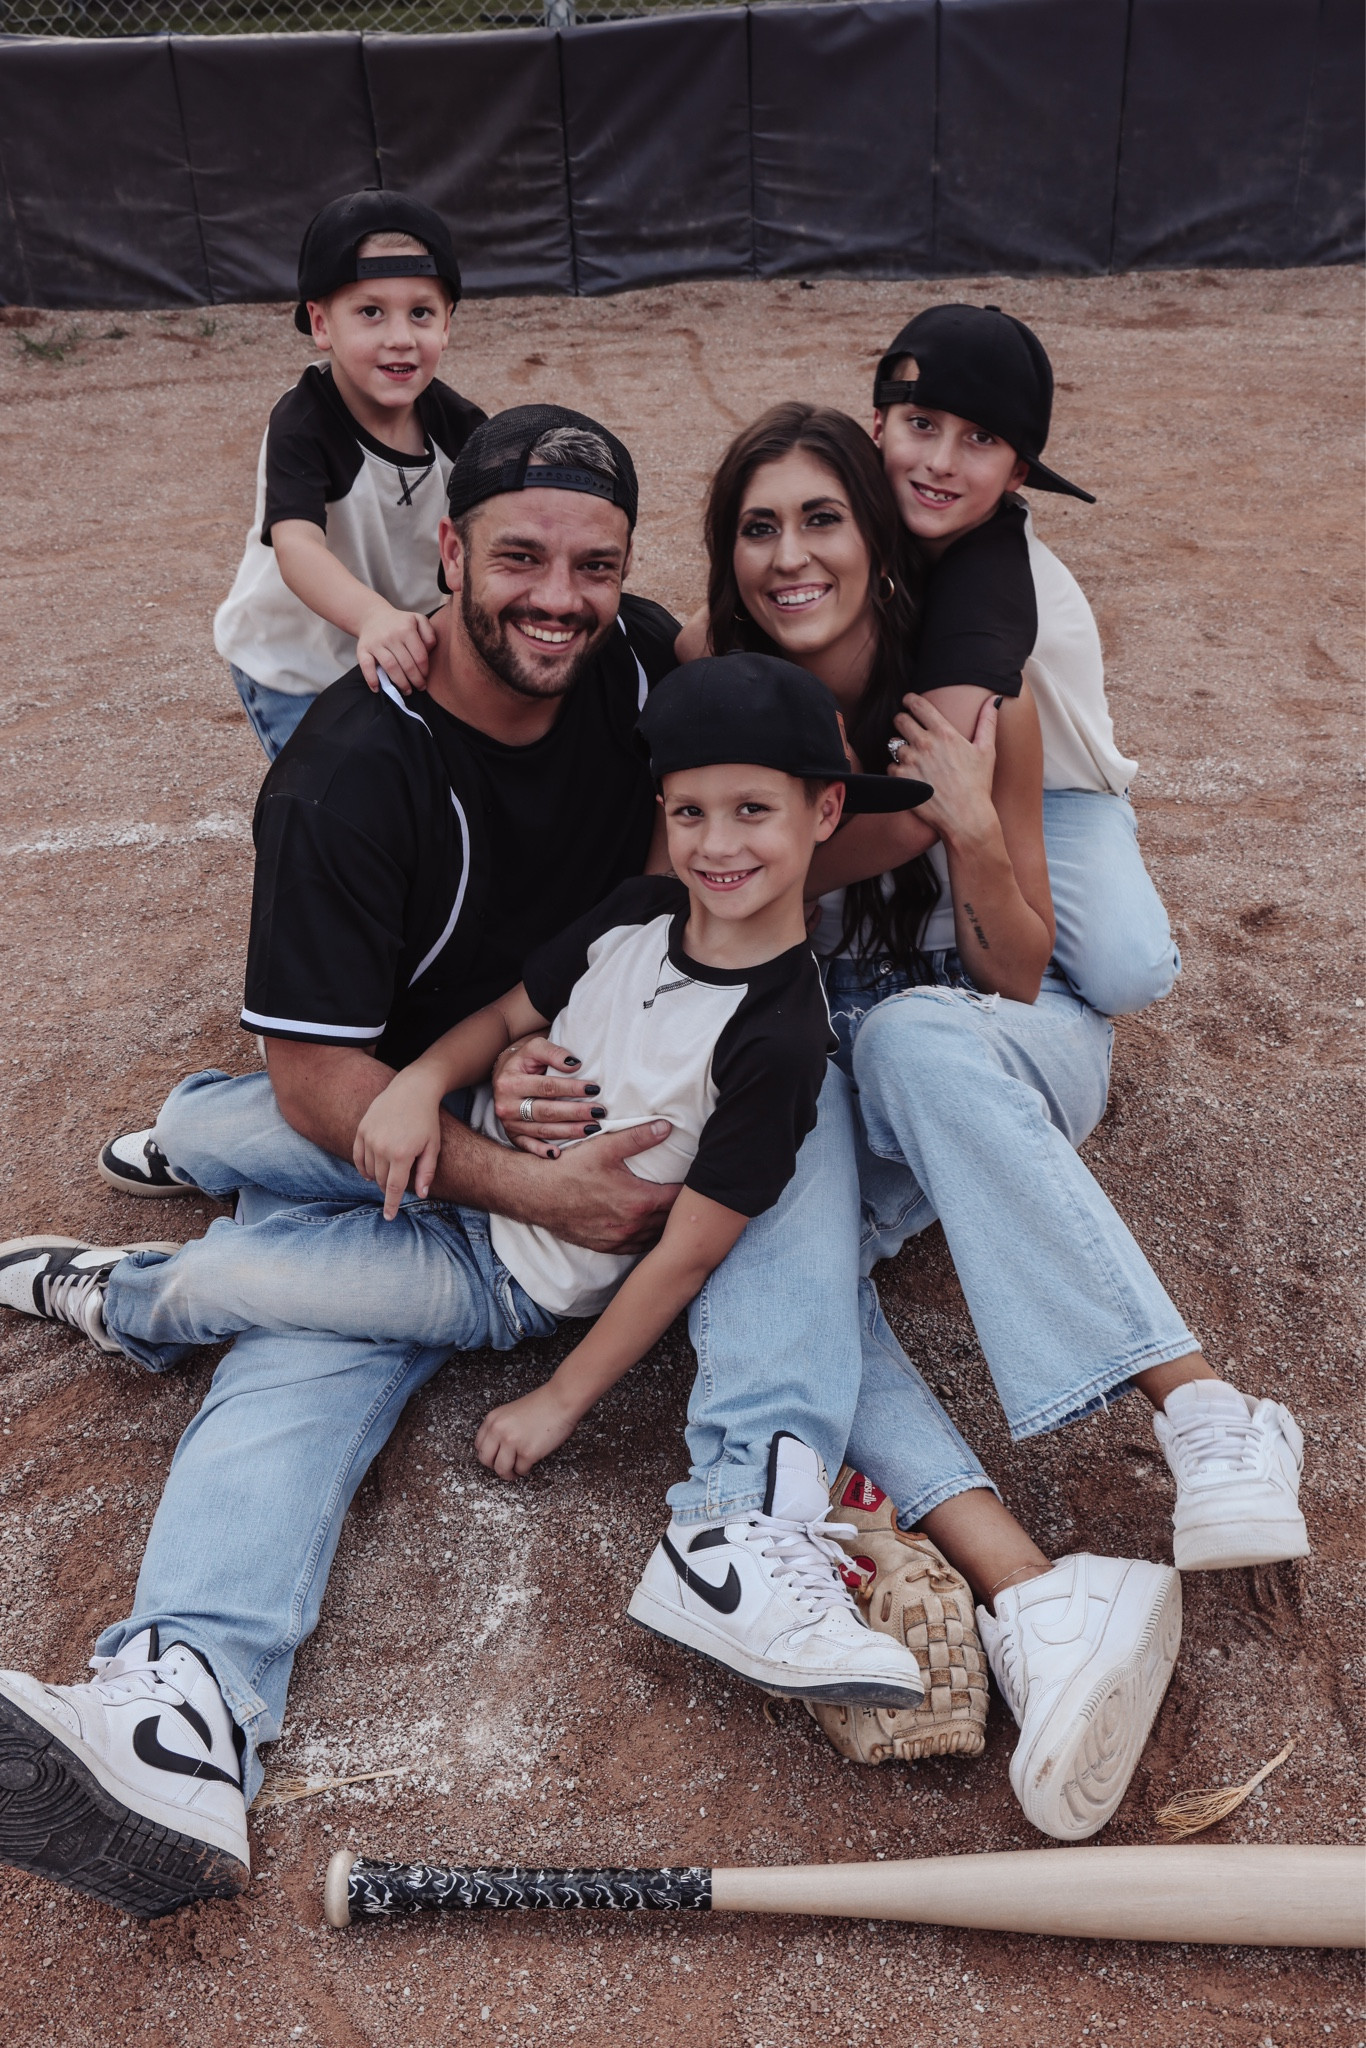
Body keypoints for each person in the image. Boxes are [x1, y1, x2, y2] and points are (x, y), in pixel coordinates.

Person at [0, 410, 893, 1917]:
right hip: (394, 1108)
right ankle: (185, 1696)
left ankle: (164, 1229)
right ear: (446, 554)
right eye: (520, 557)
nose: (557, 596)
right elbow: (324, 1082)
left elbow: (788, 768)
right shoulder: (348, 775)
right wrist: (527, 1175)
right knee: (293, 1328)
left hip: (538, 1057)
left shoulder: (633, 670)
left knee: (294, 1239)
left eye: (592, 564)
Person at [698, 400, 1307, 1841]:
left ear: (873, 531)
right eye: (759, 527)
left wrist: (961, 823)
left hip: (997, 1036)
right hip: (826, 1053)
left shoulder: (977, 688)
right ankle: (1033, 1595)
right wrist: (884, 825)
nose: (792, 555)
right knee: (761, 1239)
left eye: (821, 518)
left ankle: (1204, 1412)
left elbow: (1023, 962)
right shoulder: (711, 689)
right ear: (726, 556)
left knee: (909, 1031)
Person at [870, 301, 1179, 1018]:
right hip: (944, 760)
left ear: (1018, 473)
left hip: (1059, 794)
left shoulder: (1002, 579)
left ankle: (1056, 998)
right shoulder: (858, 512)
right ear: (879, 423)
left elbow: (927, 786)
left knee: (1124, 972)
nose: (941, 462)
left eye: (980, 438)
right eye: (923, 423)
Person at [212, 189, 485, 760]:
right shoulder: (303, 424)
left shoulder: (460, 426)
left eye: (422, 312)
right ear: (321, 323)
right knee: (332, 802)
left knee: (421, 786)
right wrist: (372, 616)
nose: (400, 337)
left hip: (395, 648)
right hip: (297, 668)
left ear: (448, 322)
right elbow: (297, 547)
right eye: (370, 311)